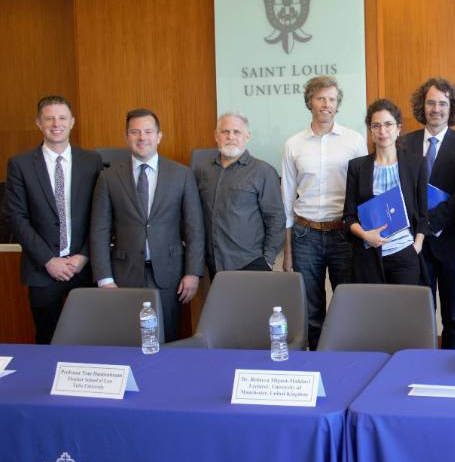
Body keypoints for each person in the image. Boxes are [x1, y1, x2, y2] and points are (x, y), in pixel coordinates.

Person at [90, 108, 204, 341]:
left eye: (148, 131)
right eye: (135, 132)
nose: (142, 137)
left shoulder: (181, 174)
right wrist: (104, 278)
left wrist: (192, 272)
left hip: (170, 275)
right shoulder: (108, 177)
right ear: (126, 136)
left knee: (168, 338)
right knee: (127, 340)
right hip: (123, 276)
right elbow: (99, 230)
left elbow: (195, 229)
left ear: (159, 136)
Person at [5, 96, 102, 344]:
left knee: (92, 337)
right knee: (48, 338)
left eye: (62, 118)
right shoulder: (20, 164)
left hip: (84, 266)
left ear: (72, 122)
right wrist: (49, 260)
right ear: (39, 123)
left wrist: (84, 255)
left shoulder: (92, 161)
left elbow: (101, 214)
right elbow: (16, 217)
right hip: (42, 268)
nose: (56, 123)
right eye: (49, 118)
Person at [281, 75, 367, 350]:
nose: (326, 104)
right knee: (311, 308)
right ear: (310, 102)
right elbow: (286, 198)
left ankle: (344, 361)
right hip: (305, 234)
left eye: (331, 99)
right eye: (320, 98)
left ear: (337, 105)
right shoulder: (293, 144)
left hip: (343, 233)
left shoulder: (354, 141)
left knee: (346, 303)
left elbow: (364, 192)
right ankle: (317, 361)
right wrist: (288, 250)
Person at [398, 77, 455, 349]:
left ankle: (450, 373)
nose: (436, 108)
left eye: (442, 103)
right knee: (420, 316)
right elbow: (399, 189)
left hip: (452, 241)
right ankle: (423, 367)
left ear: (451, 108)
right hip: (415, 245)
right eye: (430, 102)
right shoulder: (403, 143)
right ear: (422, 106)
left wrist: (431, 222)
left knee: (454, 316)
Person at [344, 99, 427, 284]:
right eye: (376, 126)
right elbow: (348, 217)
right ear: (371, 131)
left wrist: (417, 246)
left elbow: (423, 214)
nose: (382, 131)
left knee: (402, 312)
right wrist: (366, 236)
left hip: (405, 254)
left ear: (398, 128)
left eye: (388, 124)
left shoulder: (416, 164)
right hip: (368, 255)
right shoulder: (357, 167)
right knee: (372, 311)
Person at [195, 112, 284, 279]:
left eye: (237, 132)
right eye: (225, 132)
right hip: (214, 263)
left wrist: (268, 260)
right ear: (216, 135)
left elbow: (276, 218)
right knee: (222, 306)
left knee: (252, 306)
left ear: (247, 137)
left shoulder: (263, 171)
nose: (231, 137)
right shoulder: (202, 171)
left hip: (251, 263)